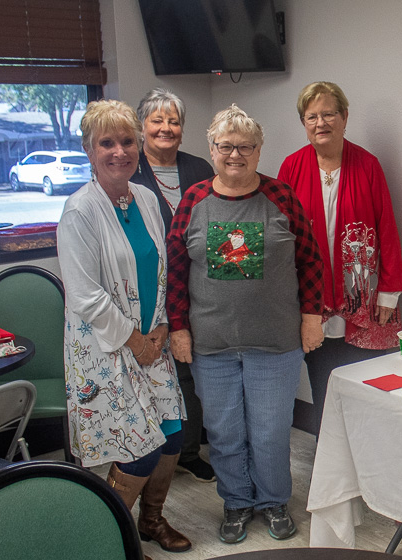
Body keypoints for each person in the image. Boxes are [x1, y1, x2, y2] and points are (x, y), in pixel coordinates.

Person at [166, 104, 324, 544]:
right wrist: (178, 328)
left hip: (275, 343)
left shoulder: (281, 197)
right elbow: (176, 271)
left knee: (271, 431)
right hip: (211, 345)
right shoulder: (194, 201)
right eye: (226, 147)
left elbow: (310, 260)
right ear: (212, 149)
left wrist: (312, 316)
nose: (235, 155)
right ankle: (236, 502)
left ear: (258, 151)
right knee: (224, 432)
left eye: (246, 147)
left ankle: (273, 500)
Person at [58, 99, 191, 554]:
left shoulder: (148, 200)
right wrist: (136, 341)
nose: (119, 151)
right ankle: (107, 535)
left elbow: (164, 268)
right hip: (108, 349)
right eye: (106, 143)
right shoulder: (79, 211)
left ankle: (150, 521)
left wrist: (161, 329)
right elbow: (86, 296)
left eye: (127, 141)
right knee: (139, 448)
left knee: (172, 435)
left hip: (151, 341)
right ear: (89, 151)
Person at [278, 82, 402, 434]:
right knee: (325, 387)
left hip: (365, 299)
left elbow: (387, 229)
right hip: (313, 302)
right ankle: (333, 466)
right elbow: (281, 237)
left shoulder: (368, 165)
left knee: (369, 386)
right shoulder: (291, 168)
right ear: (304, 122)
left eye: (329, 114)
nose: (321, 123)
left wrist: (389, 292)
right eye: (312, 116)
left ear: (345, 117)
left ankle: (373, 462)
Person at [130, 87, 217, 483]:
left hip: (197, 283)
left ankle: (188, 449)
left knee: (191, 367)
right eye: (157, 120)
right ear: (142, 126)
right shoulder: (128, 171)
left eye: (174, 121)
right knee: (158, 368)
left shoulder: (201, 168)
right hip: (147, 286)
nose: (166, 128)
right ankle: (152, 451)